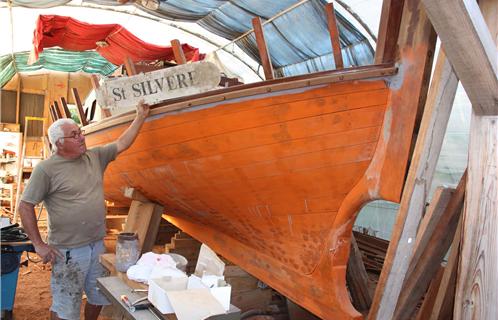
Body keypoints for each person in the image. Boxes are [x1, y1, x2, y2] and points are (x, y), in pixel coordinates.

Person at [19, 101, 150, 320]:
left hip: (97, 244)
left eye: (80, 132)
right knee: (65, 304)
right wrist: (38, 244)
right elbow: (25, 205)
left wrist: (140, 116)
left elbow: (122, 143)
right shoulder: (46, 169)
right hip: (68, 251)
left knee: (98, 296)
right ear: (59, 143)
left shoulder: (94, 157)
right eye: (74, 134)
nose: (82, 137)